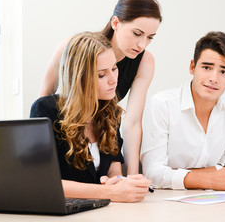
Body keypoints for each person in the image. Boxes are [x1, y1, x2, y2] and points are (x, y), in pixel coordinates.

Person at [39, 0, 162, 175]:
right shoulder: (72, 48)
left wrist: (132, 176)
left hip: (101, 130)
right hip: (68, 137)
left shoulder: (144, 61)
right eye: (137, 33)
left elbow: (132, 122)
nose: (142, 44)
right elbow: (43, 104)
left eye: (150, 37)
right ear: (115, 23)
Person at [31, 32, 151, 202]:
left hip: (99, 210)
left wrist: (118, 182)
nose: (113, 80)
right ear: (79, 77)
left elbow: (113, 170)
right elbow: (42, 183)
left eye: (114, 68)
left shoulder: (111, 112)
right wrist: (110, 193)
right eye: (102, 75)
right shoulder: (45, 110)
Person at [140, 31, 225, 191]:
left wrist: (177, 175)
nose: (214, 78)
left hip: (212, 199)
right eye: (207, 67)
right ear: (192, 67)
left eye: (223, 71)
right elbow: (153, 174)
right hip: (164, 201)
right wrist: (210, 179)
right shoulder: (162, 104)